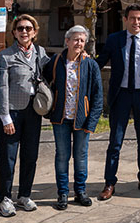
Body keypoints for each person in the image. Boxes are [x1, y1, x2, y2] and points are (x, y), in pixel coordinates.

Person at [96, 4, 140, 200]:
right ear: (125, 19)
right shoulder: (114, 39)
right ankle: (109, 182)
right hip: (121, 95)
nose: (136, 22)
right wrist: (82, 62)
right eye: (132, 18)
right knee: (115, 142)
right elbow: (100, 62)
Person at [0, 14, 50, 217]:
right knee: (7, 157)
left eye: (28, 28)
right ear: (14, 32)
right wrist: (5, 116)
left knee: (30, 155)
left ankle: (24, 194)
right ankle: (4, 197)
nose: (24, 32)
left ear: (34, 32)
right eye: (20, 28)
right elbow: (1, 87)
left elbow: (54, 69)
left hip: (33, 111)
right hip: (13, 112)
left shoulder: (40, 53)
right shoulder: (6, 56)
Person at [44, 25, 103, 210]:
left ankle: (80, 191)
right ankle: (63, 192)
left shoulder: (90, 65)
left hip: (82, 119)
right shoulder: (56, 61)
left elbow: (98, 96)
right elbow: (43, 82)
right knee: (62, 156)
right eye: (76, 39)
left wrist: (92, 122)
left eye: (82, 40)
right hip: (60, 118)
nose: (79, 43)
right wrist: (49, 108)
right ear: (67, 41)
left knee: (81, 156)